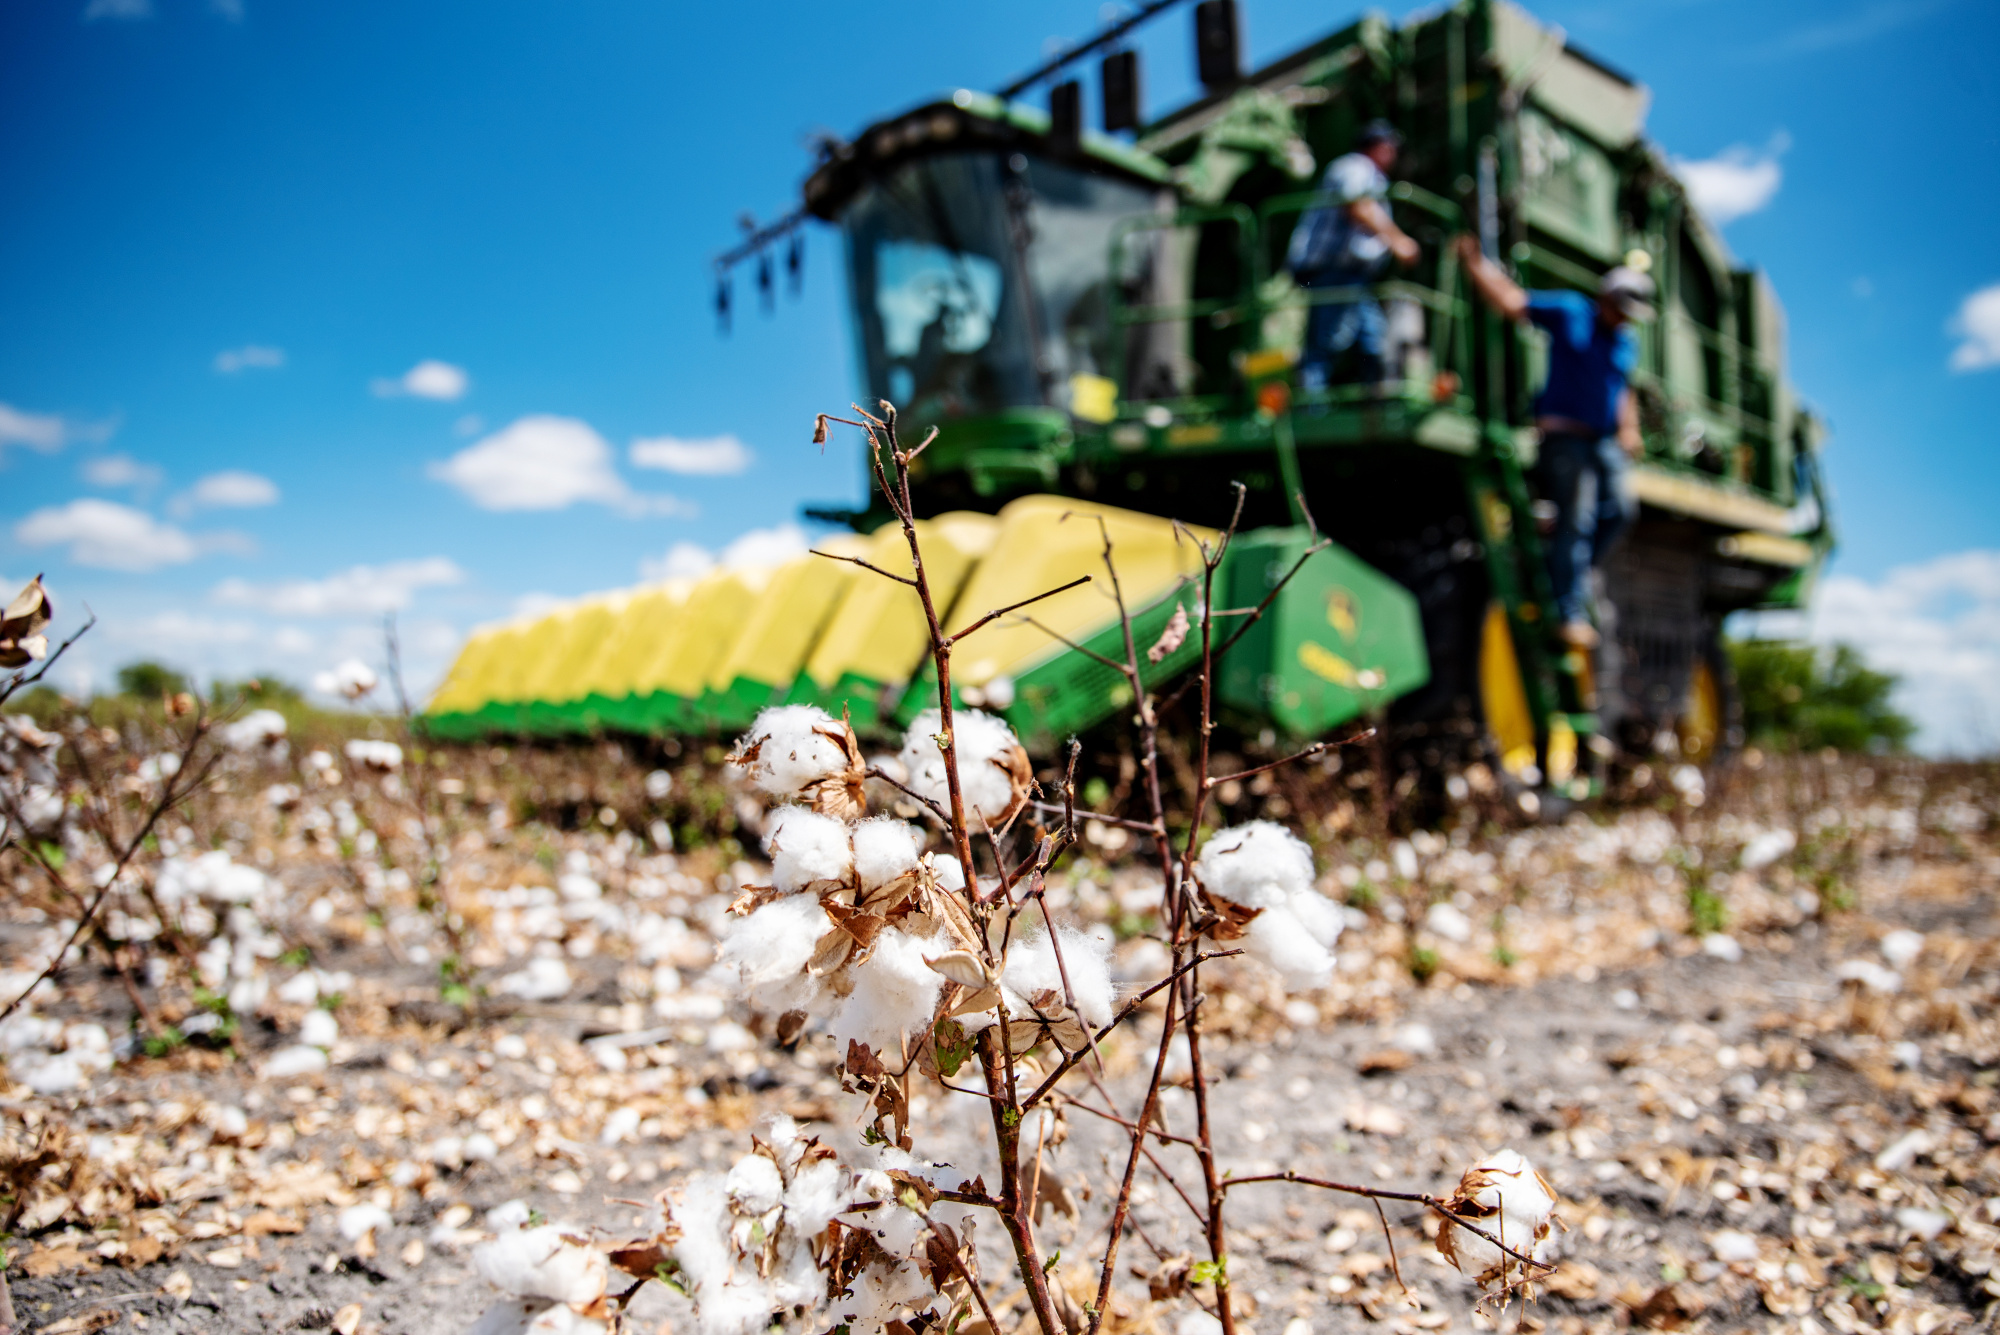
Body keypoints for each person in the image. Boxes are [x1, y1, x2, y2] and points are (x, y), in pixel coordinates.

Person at [1454, 234, 1656, 650]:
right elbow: (1513, 303)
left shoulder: (1626, 340)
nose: (1625, 319)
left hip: (1603, 442)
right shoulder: (1569, 312)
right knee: (1576, 519)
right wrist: (1475, 265)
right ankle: (1567, 608)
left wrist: (1629, 428)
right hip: (1564, 436)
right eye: (1621, 309)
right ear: (1605, 296)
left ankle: (1570, 572)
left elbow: (1623, 388)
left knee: (1620, 510)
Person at [1285, 120, 1421, 390]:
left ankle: (1378, 406)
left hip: (1353, 277)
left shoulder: (1372, 175)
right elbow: (1357, 204)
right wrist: (1398, 242)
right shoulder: (1354, 166)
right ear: (1378, 146)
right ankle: (1313, 412)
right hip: (1332, 270)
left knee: (1372, 340)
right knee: (1327, 342)